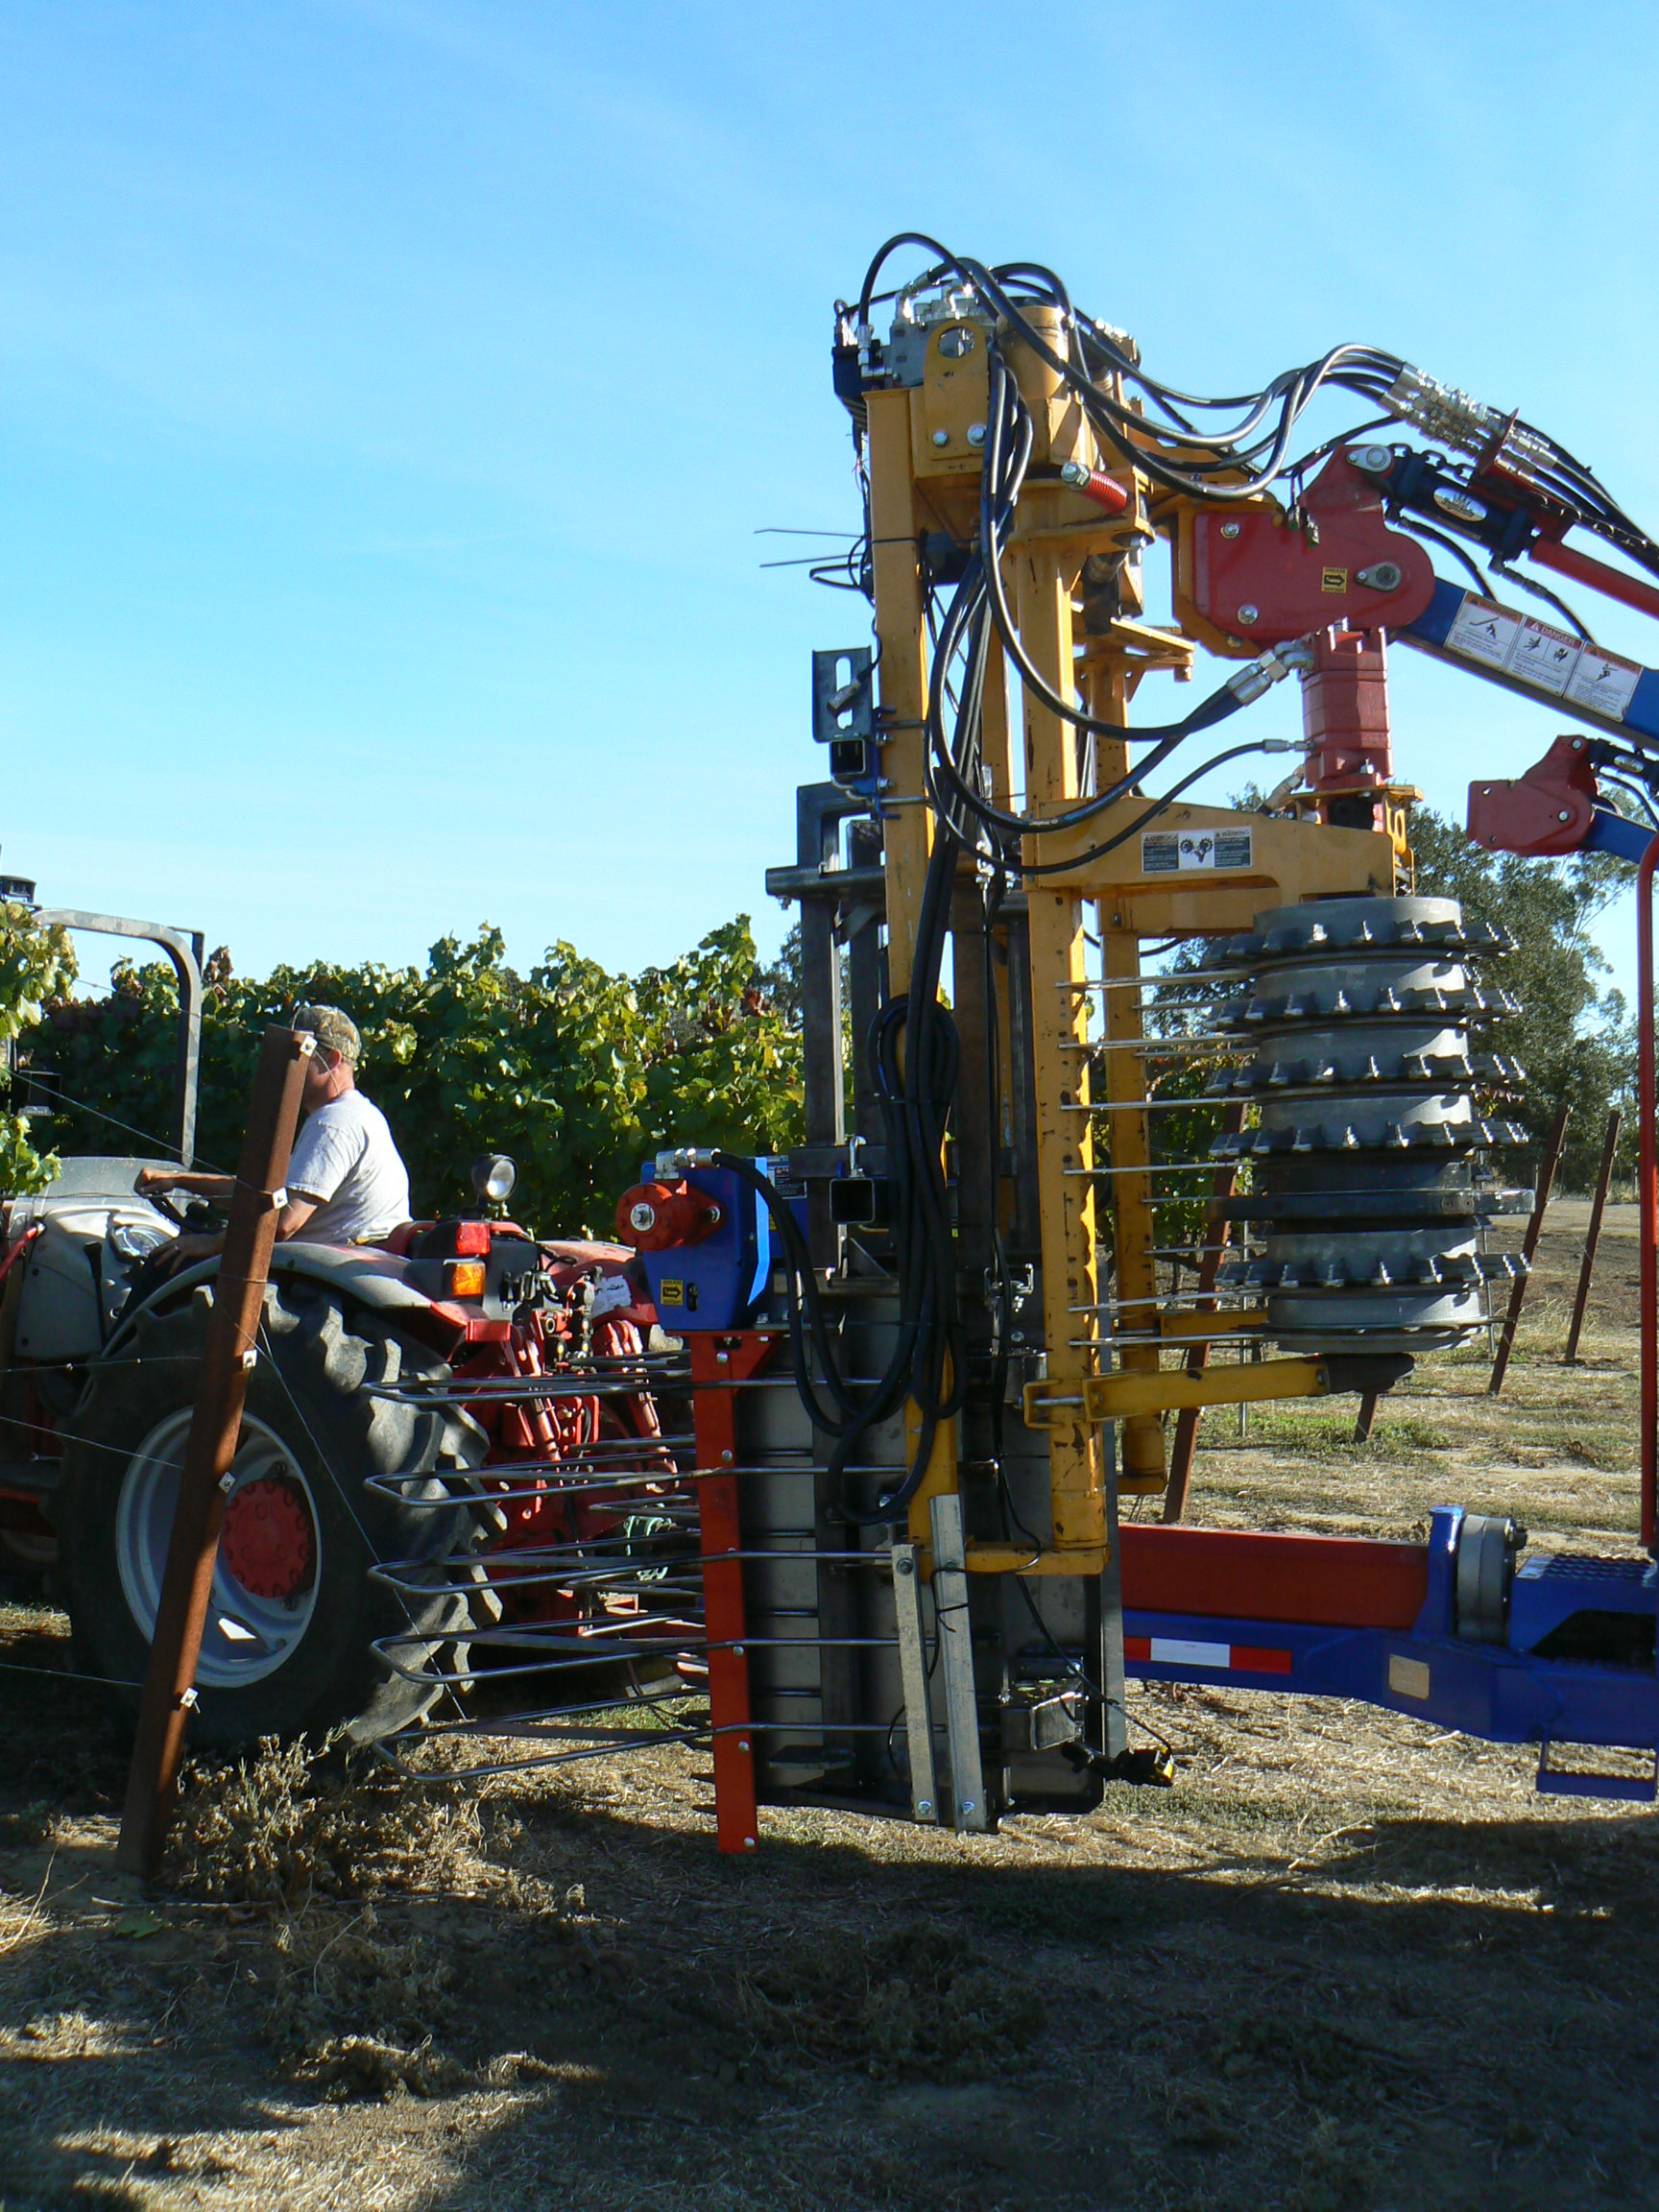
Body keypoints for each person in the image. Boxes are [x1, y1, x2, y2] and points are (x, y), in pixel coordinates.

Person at [136, 1003, 413, 1256]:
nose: (287, 1067)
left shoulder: (334, 1123)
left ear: (332, 1059)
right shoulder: (363, 1113)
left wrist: (210, 1244)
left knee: (172, 1266)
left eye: (299, 1055)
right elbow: (266, 1196)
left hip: (322, 1278)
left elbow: (282, 1223)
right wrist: (179, 1180)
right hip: (354, 1262)